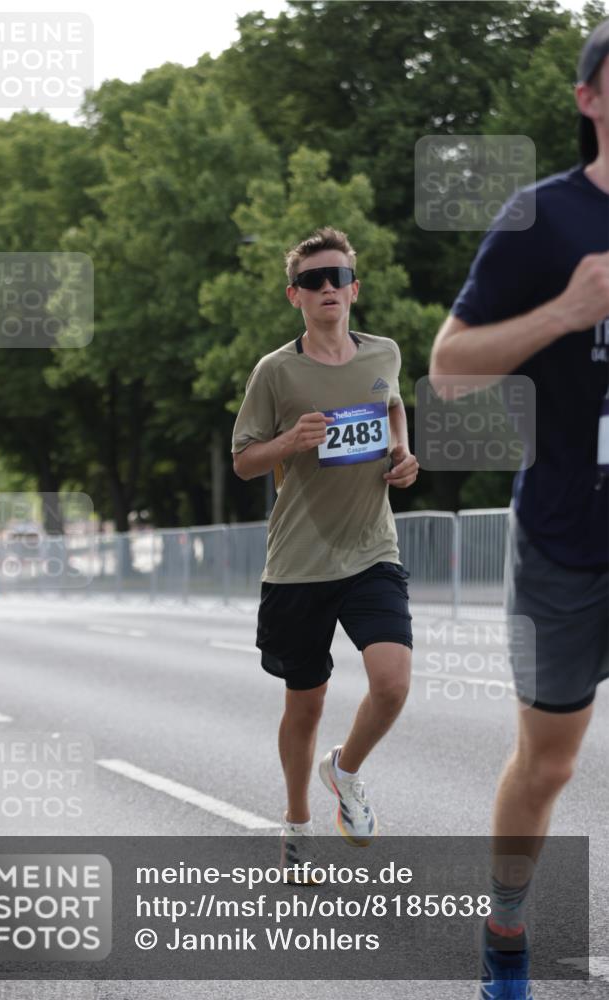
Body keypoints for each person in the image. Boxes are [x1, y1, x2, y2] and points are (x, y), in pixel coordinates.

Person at [430, 20, 609, 1000]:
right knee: (547, 764)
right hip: (564, 539)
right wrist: (563, 314)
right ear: (587, 99)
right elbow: (446, 370)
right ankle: (505, 929)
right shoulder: (541, 218)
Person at [231, 226, 418, 880]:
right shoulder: (276, 371)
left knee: (392, 684)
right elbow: (243, 460)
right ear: (295, 296)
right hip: (299, 563)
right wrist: (289, 441)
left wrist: (401, 453)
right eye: (313, 280)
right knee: (303, 704)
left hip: (371, 550)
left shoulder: (384, 354)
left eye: (337, 276)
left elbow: (393, 410)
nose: (327, 287)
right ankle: (296, 827)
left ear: (353, 288)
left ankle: (345, 770)